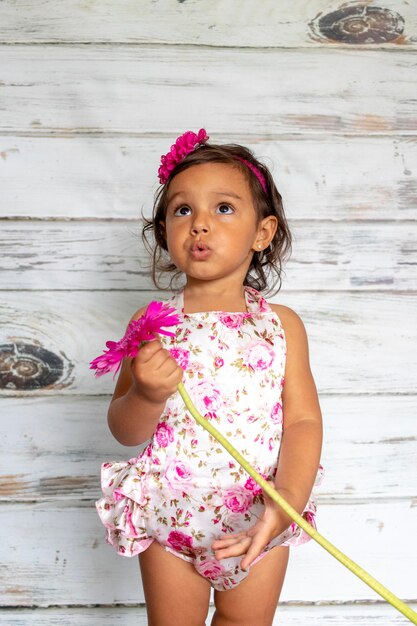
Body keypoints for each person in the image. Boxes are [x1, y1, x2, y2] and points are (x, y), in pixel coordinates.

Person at [96, 129, 324, 626]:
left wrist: (286, 505)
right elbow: (124, 429)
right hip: (172, 512)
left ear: (262, 233)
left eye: (222, 208)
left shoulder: (281, 325)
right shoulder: (152, 322)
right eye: (182, 210)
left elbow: (303, 423)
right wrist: (147, 394)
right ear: (165, 231)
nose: (199, 224)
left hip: (257, 515)